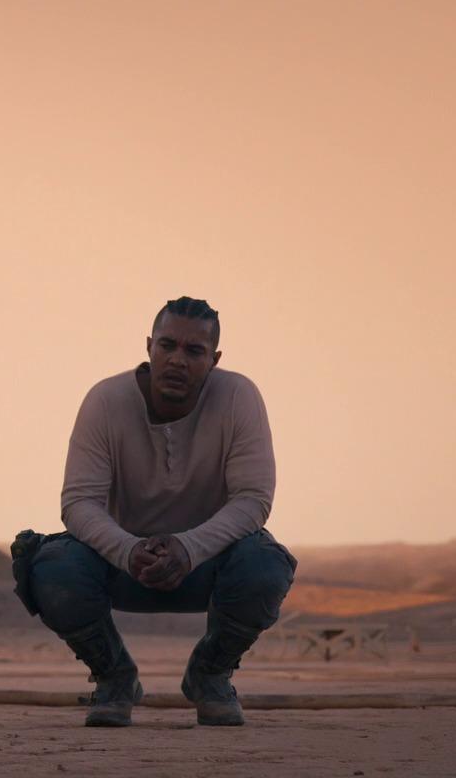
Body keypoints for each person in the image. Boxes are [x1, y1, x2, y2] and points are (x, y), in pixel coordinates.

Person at [27, 297, 295, 728]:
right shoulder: (105, 400)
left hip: (208, 565)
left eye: (194, 351)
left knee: (265, 567)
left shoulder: (238, 396)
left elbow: (253, 499)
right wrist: (129, 550)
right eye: (167, 345)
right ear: (149, 346)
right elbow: (78, 502)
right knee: (49, 567)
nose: (177, 360)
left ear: (214, 360)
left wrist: (188, 549)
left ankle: (210, 675)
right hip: (121, 565)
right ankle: (114, 678)